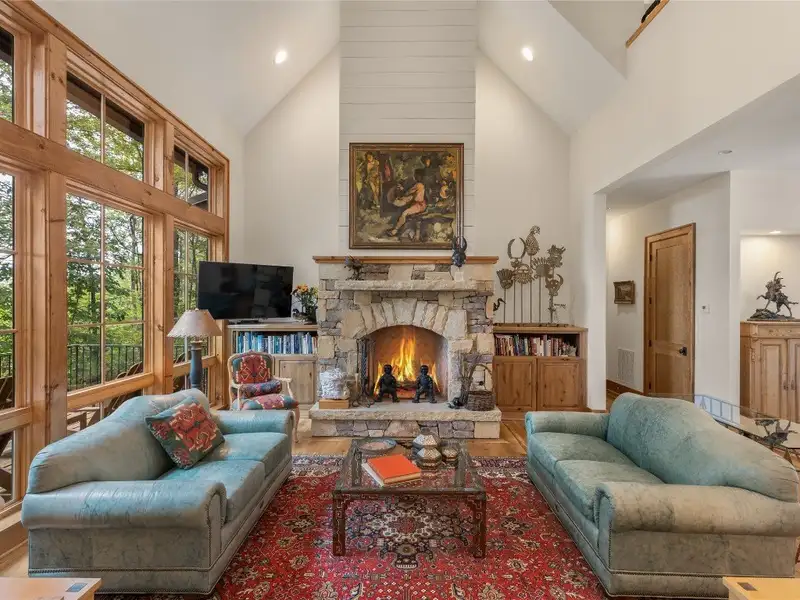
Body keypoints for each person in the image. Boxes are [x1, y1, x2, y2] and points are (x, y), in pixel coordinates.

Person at [390, 169, 427, 236]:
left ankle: (395, 230)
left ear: (419, 176)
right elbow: (411, 195)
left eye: (415, 175)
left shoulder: (419, 185)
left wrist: (402, 190)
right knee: (403, 209)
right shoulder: (420, 184)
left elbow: (408, 193)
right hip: (418, 204)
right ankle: (400, 228)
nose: (414, 176)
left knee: (404, 213)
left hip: (419, 205)